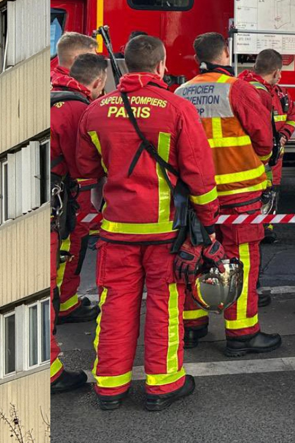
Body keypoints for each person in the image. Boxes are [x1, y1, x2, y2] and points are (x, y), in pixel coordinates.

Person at [75, 35, 221, 411]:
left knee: (115, 304)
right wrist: (207, 226)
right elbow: (200, 176)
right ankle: (162, 384)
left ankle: (109, 386)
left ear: (123, 67)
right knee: (164, 304)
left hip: (117, 231)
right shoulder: (176, 108)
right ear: (161, 65)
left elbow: (87, 173)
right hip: (166, 233)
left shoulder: (95, 111)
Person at [176, 34, 281, 356]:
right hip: (239, 192)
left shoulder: (180, 92)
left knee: (197, 256)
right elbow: (264, 139)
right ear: (225, 53)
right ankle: (242, 334)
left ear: (197, 58)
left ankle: (192, 327)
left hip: (196, 193)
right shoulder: (238, 89)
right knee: (241, 259)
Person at [50, 53, 109, 353]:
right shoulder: (77, 108)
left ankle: (66, 302)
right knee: (58, 262)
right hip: (59, 198)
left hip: (49, 195)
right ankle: (51, 369)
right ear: (98, 82)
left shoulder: (50, 92)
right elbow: (83, 165)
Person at [239, 49, 294, 251]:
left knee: (272, 191)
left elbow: (292, 116)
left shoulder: (279, 93)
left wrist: (283, 136)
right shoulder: (252, 91)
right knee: (255, 193)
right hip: (256, 158)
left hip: (271, 157)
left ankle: (267, 225)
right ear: (277, 72)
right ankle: (256, 227)